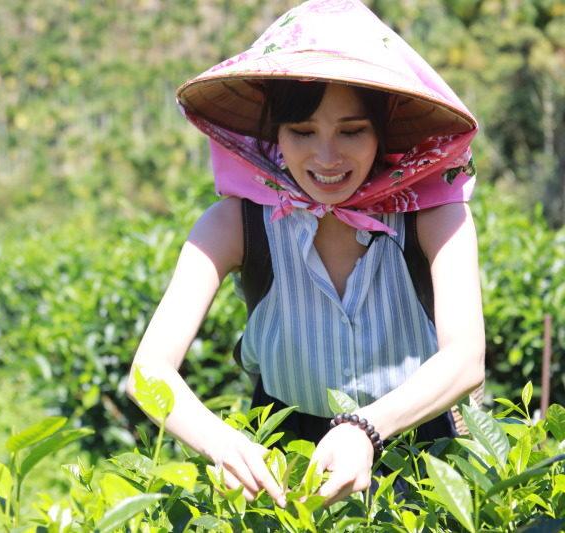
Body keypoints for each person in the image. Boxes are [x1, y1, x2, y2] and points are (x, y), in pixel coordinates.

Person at [126, 0, 485, 509]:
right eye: (302, 132)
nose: (327, 156)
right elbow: (148, 371)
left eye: (352, 130)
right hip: (284, 456)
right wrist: (222, 444)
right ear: (275, 133)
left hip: (420, 453)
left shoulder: (434, 214)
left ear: (381, 130)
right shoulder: (239, 223)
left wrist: (367, 429)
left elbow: (466, 359)